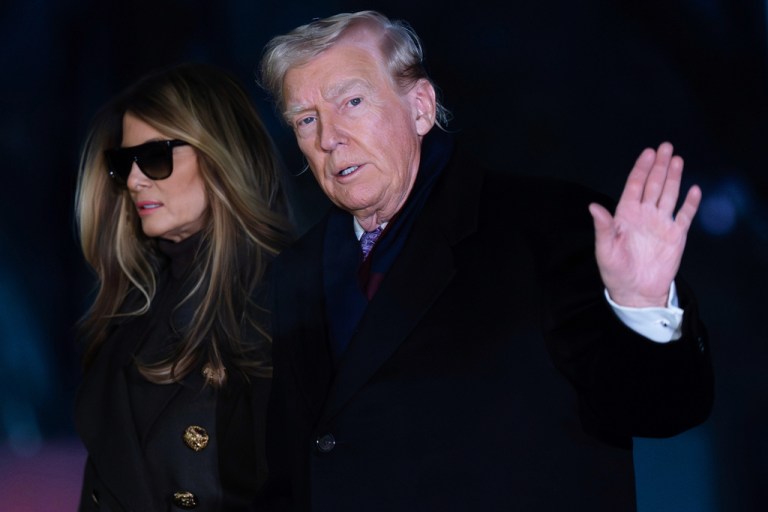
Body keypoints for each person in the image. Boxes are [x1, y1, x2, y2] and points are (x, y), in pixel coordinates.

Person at [257, 10, 714, 512]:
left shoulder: (550, 225)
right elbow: (287, 472)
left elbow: (662, 408)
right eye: (306, 119)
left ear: (420, 108)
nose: (328, 137)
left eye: (353, 101)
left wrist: (641, 306)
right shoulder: (294, 272)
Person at [73, 63, 293, 511]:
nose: (135, 180)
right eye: (123, 163)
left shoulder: (290, 301)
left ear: (221, 156)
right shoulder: (128, 317)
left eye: (155, 156)